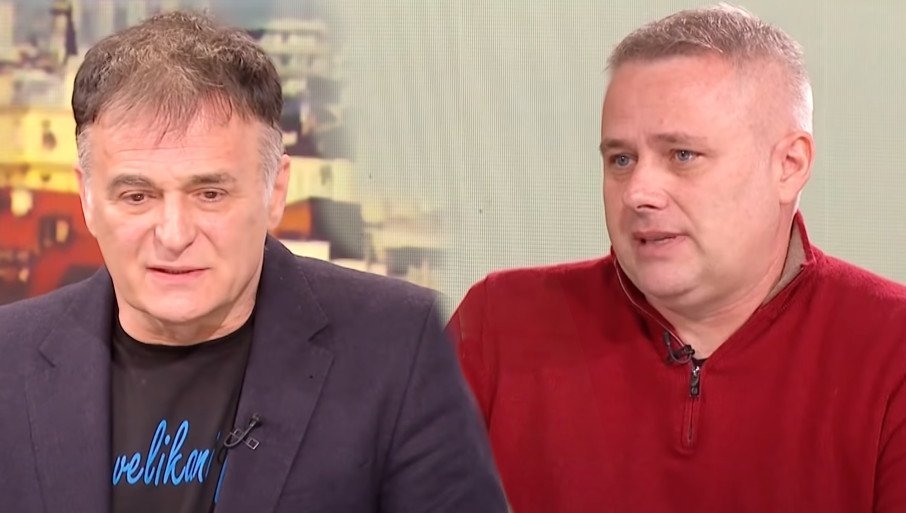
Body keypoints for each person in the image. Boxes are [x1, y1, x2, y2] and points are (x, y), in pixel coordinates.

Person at [0, 11, 506, 513]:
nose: (174, 235)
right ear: (88, 198)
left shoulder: (398, 347)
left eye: (210, 194)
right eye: (137, 196)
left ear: (275, 192)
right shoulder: (7, 359)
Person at [448, 5, 906, 513]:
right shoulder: (497, 326)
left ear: (789, 165)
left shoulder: (892, 348)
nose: (637, 193)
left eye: (682, 155)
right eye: (621, 159)